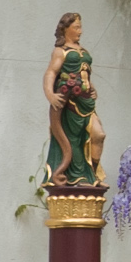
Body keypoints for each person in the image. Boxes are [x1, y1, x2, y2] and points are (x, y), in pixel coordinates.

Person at [46, 11, 105, 188]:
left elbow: (85, 73)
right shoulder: (61, 51)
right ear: (66, 29)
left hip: (86, 102)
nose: (80, 31)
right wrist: (50, 94)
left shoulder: (83, 51)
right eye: (77, 27)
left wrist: (92, 88)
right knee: (75, 140)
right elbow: (51, 72)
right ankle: (77, 177)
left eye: (80, 27)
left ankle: (92, 174)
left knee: (99, 135)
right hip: (70, 102)